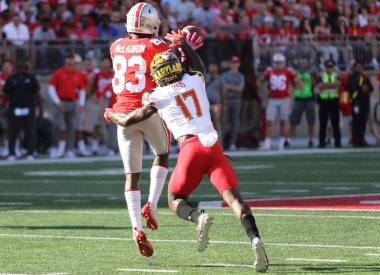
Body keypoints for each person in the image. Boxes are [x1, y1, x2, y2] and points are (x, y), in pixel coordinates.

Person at [106, 33, 268, 273]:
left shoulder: (158, 96)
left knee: (174, 200)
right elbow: (197, 64)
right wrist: (182, 42)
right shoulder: (195, 79)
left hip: (190, 149)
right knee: (235, 200)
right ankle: (254, 237)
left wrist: (110, 114)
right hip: (214, 149)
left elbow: (130, 120)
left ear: (157, 76)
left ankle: (197, 217)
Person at [107, 2, 172, 257]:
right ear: (153, 25)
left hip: (122, 112)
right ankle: (152, 205)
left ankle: (135, 227)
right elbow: (167, 70)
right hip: (146, 109)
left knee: (131, 176)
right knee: (162, 153)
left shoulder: (115, 46)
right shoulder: (156, 45)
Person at [48, 54, 90, 158]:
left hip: (73, 102)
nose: (70, 63)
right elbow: (51, 88)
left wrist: (81, 103)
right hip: (61, 102)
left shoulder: (78, 74)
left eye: (72, 61)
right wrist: (57, 102)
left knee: (72, 127)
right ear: (65, 62)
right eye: (68, 61)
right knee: (60, 127)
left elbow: (81, 90)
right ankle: (58, 149)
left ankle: (70, 149)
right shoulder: (59, 73)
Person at [2, 60, 43, 161]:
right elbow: (6, 94)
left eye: (24, 67)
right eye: (20, 67)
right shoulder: (11, 79)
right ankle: (12, 153)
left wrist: (41, 109)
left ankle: (30, 152)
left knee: (30, 132)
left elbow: (37, 94)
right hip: (15, 108)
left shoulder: (31, 78)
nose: (22, 69)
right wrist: (4, 107)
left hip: (29, 108)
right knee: (13, 132)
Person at [259, 53, 300, 150]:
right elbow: (259, 82)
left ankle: (281, 142)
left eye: (280, 63)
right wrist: (266, 91)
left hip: (284, 99)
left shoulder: (289, 71)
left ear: (284, 63)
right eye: (276, 63)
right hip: (272, 99)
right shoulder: (269, 71)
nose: (278, 65)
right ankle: (267, 142)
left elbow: (298, 82)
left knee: (283, 121)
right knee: (269, 121)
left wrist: (292, 91)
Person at [90, 56, 114, 156]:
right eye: (104, 62)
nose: (105, 64)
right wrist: (93, 95)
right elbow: (92, 85)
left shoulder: (114, 73)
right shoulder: (97, 74)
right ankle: (94, 146)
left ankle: (111, 147)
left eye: (107, 62)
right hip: (100, 100)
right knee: (97, 124)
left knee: (111, 126)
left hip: (112, 100)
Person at [347, 61, 374, 147]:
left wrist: (367, 88)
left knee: (363, 121)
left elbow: (371, 88)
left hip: (365, 102)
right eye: (358, 67)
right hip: (356, 102)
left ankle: (362, 139)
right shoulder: (351, 77)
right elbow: (351, 87)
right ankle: (356, 140)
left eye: (361, 67)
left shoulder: (365, 78)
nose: (359, 69)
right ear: (355, 68)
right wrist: (361, 87)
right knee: (356, 121)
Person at [221, 56, 245, 150]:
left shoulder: (240, 76)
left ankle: (232, 143)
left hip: (236, 100)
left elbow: (240, 89)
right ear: (230, 64)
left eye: (236, 63)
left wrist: (229, 86)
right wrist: (234, 88)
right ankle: (222, 142)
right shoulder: (225, 75)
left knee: (235, 122)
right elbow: (223, 89)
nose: (235, 65)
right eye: (233, 63)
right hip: (226, 100)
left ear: (239, 64)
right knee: (224, 122)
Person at [316, 60, 341, 148]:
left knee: (335, 123)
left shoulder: (336, 75)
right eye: (328, 67)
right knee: (323, 123)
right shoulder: (321, 75)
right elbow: (320, 86)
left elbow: (338, 84)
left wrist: (326, 85)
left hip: (334, 100)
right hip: (324, 100)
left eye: (331, 67)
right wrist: (332, 84)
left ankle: (337, 142)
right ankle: (321, 142)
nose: (330, 69)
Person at [289, 69, 316, 147]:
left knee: (311, 121)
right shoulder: (295, 73)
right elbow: (293, 84)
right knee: (293, 120)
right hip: (298, 99)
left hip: (309, 99)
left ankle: (311, 139)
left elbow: (314, 84)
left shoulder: (310, 73)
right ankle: (288, 139)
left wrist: (312, 76)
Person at [205, 62, 224, 144]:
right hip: (206, 104)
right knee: (206, 124)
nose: (212, 68)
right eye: (211, 67)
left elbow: (223, 93)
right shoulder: (205, 77)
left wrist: (223, 105)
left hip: (216, 104)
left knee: (217, 124)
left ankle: (219, 143)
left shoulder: (220, 79)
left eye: (214, 67)